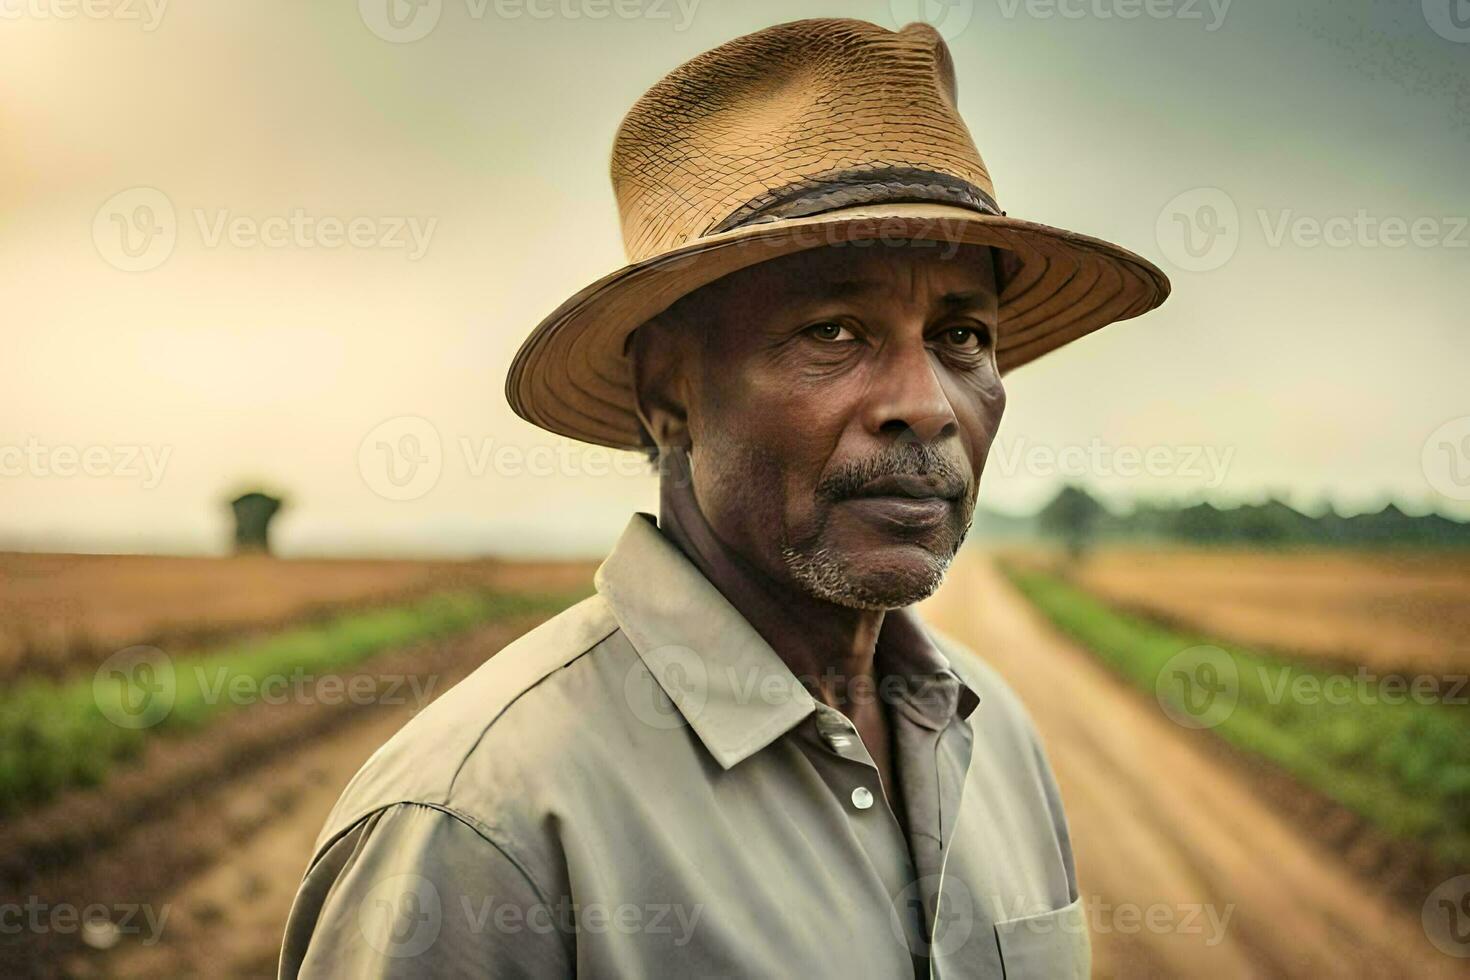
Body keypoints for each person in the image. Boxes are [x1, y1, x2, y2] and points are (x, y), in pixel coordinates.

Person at [280, 17, 1169, 978]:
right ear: (670, 390)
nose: (924, 406)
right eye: (833, 331)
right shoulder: (480, 829)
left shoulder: (998, 744)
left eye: (962, 337)